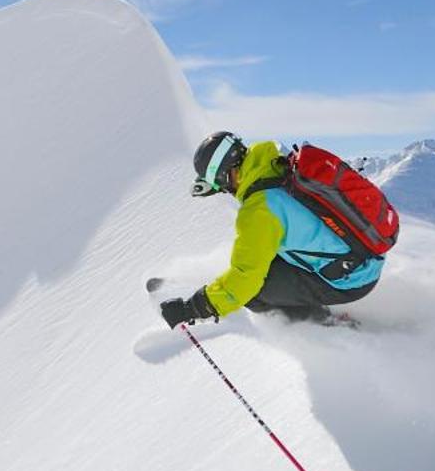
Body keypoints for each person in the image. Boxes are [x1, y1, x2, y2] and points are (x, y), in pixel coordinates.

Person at [159, 131, 382, 329]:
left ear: (228, 174)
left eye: (223, 185)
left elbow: (246, 280)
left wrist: (193, 308)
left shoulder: (258, 211)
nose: (226, 191)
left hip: (349, 280)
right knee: (267, 259)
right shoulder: (275, 166)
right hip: (364, 258)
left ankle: (326, 325)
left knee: (255, 294)